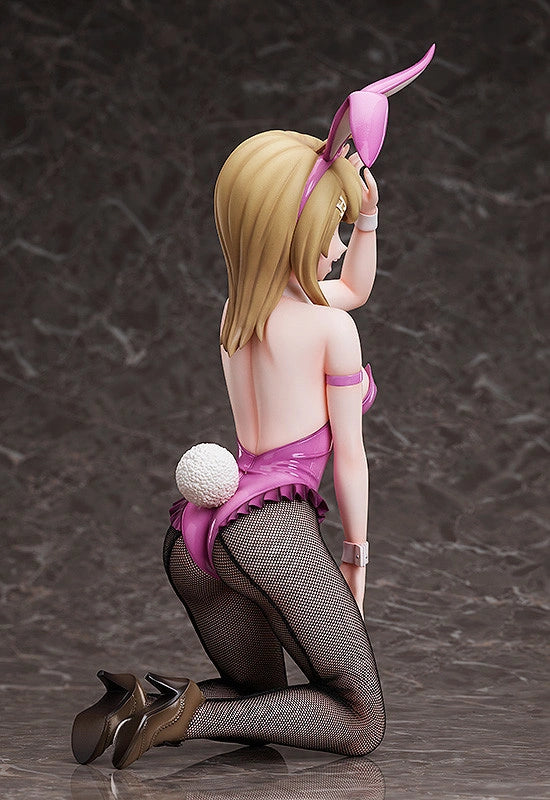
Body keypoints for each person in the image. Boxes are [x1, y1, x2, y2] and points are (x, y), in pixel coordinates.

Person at [71, 46, 435, 769]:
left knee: (260, 696)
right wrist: (356, 558)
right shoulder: (331, 331)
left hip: (199, 532)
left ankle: (142, 700)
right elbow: (351, 457)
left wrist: (368, 219)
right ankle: (176, 718)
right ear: (293, 234)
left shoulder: (238, 311)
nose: (338, 247)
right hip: (272, 533)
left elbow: (350, 287)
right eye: (330, 230)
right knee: (360, 721)